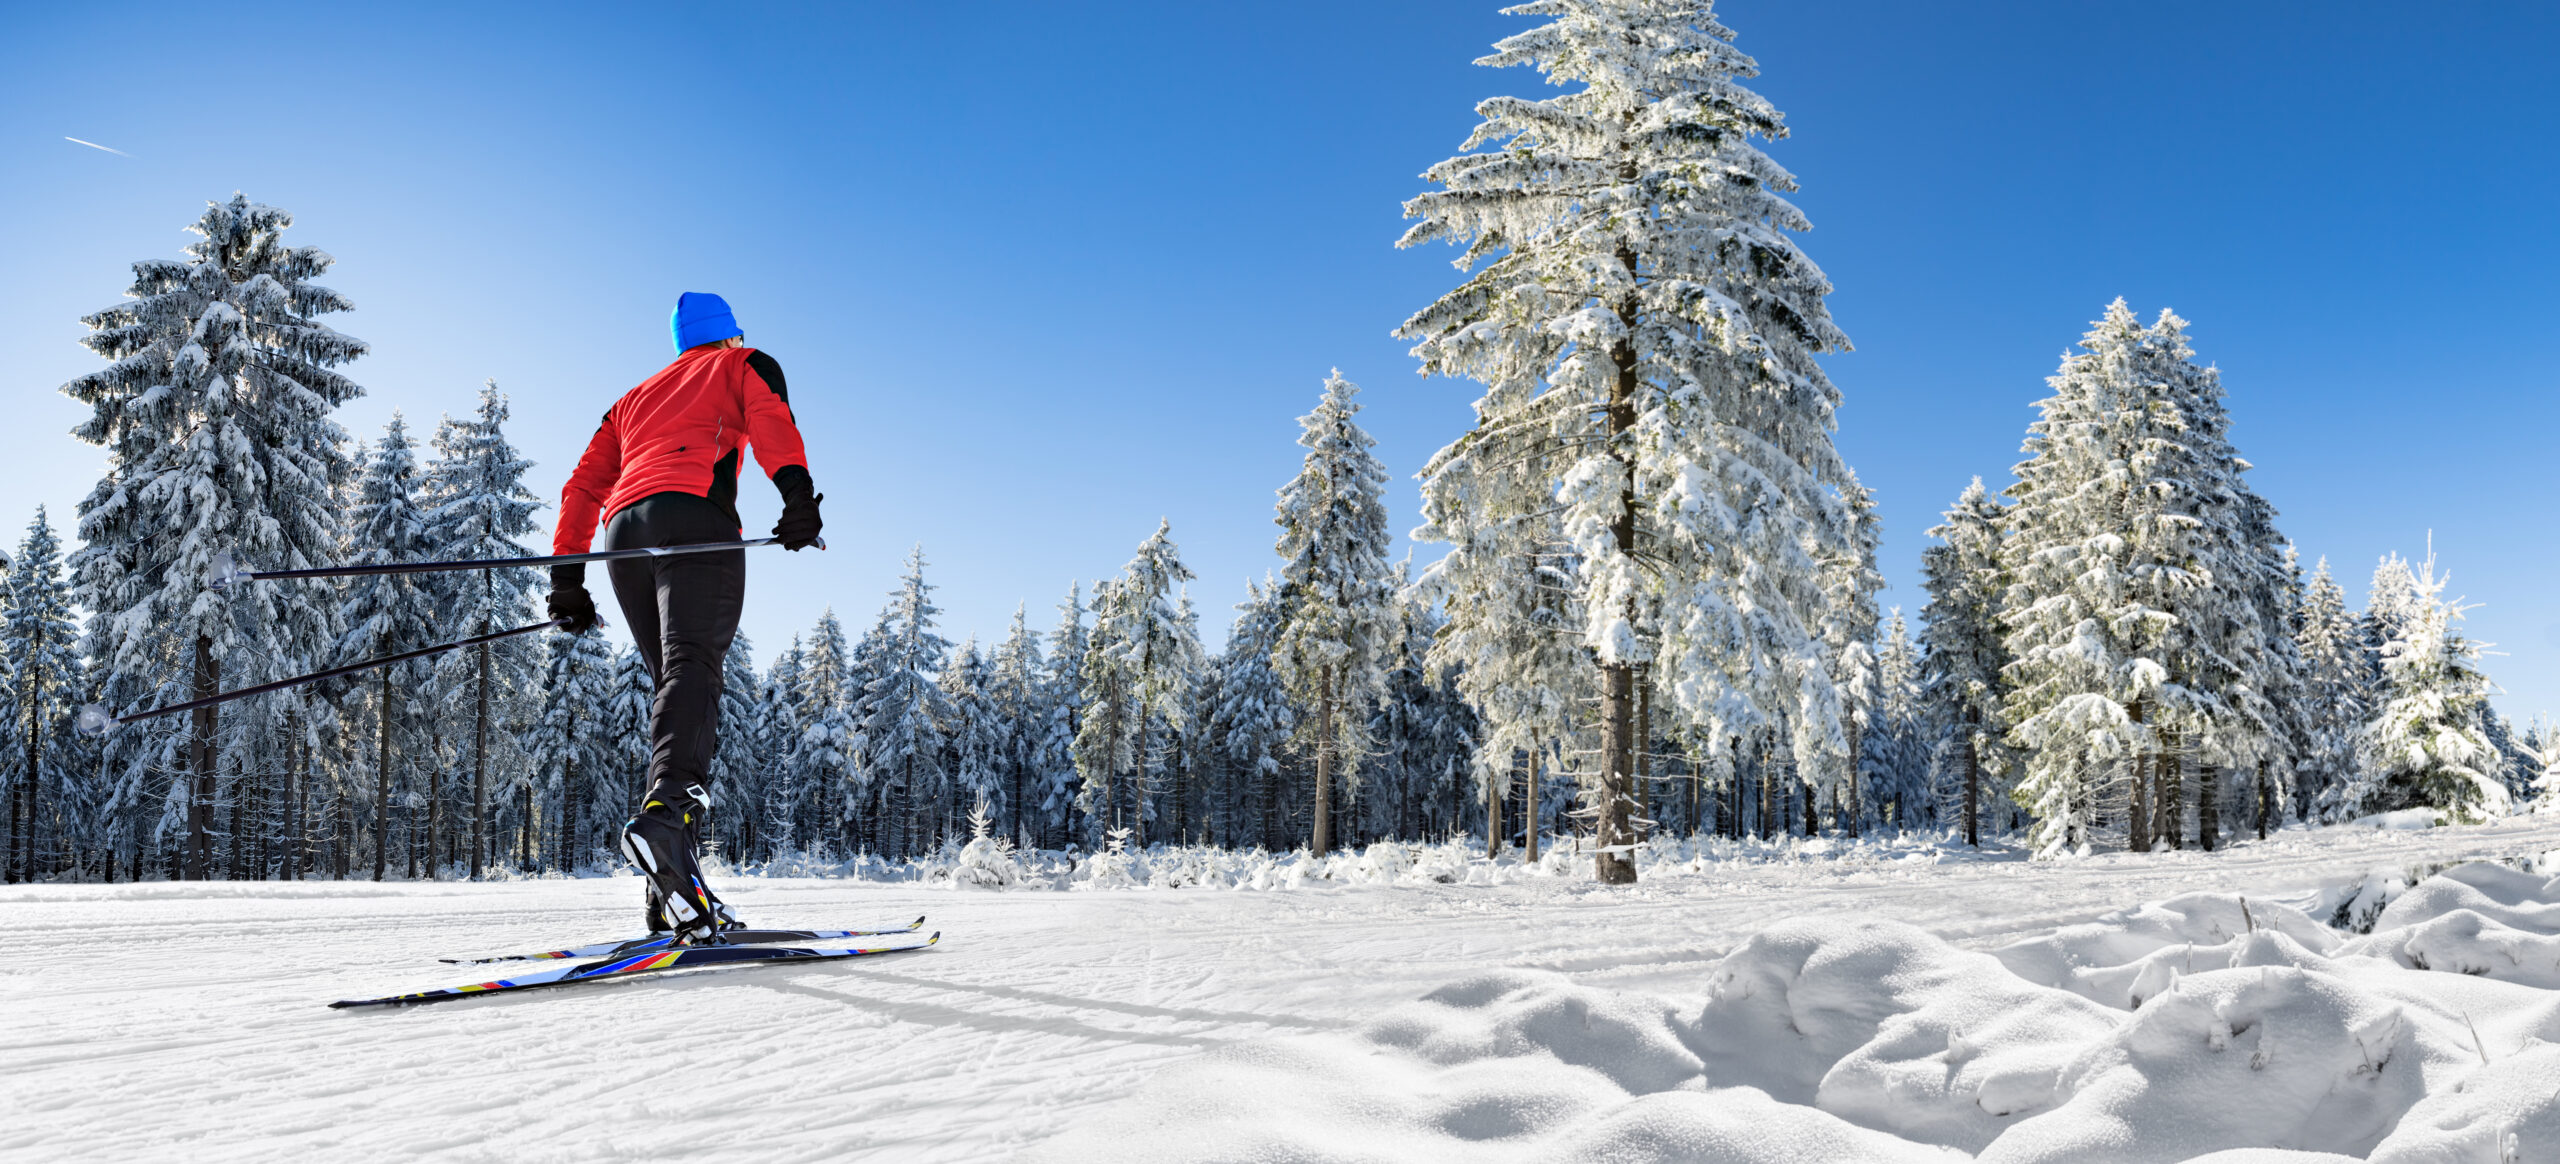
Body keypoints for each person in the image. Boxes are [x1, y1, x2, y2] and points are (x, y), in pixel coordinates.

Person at [547, 291, 824, 940]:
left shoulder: (632, 399)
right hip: (696, 520)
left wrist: (567, 580)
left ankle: (671, 892)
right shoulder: (742, 363)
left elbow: (583, 486)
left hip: (625, 536)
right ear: (728, 335)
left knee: (675, 689)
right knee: (693, 673)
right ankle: (668, 823)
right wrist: (798, 499)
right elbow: (772, 420)